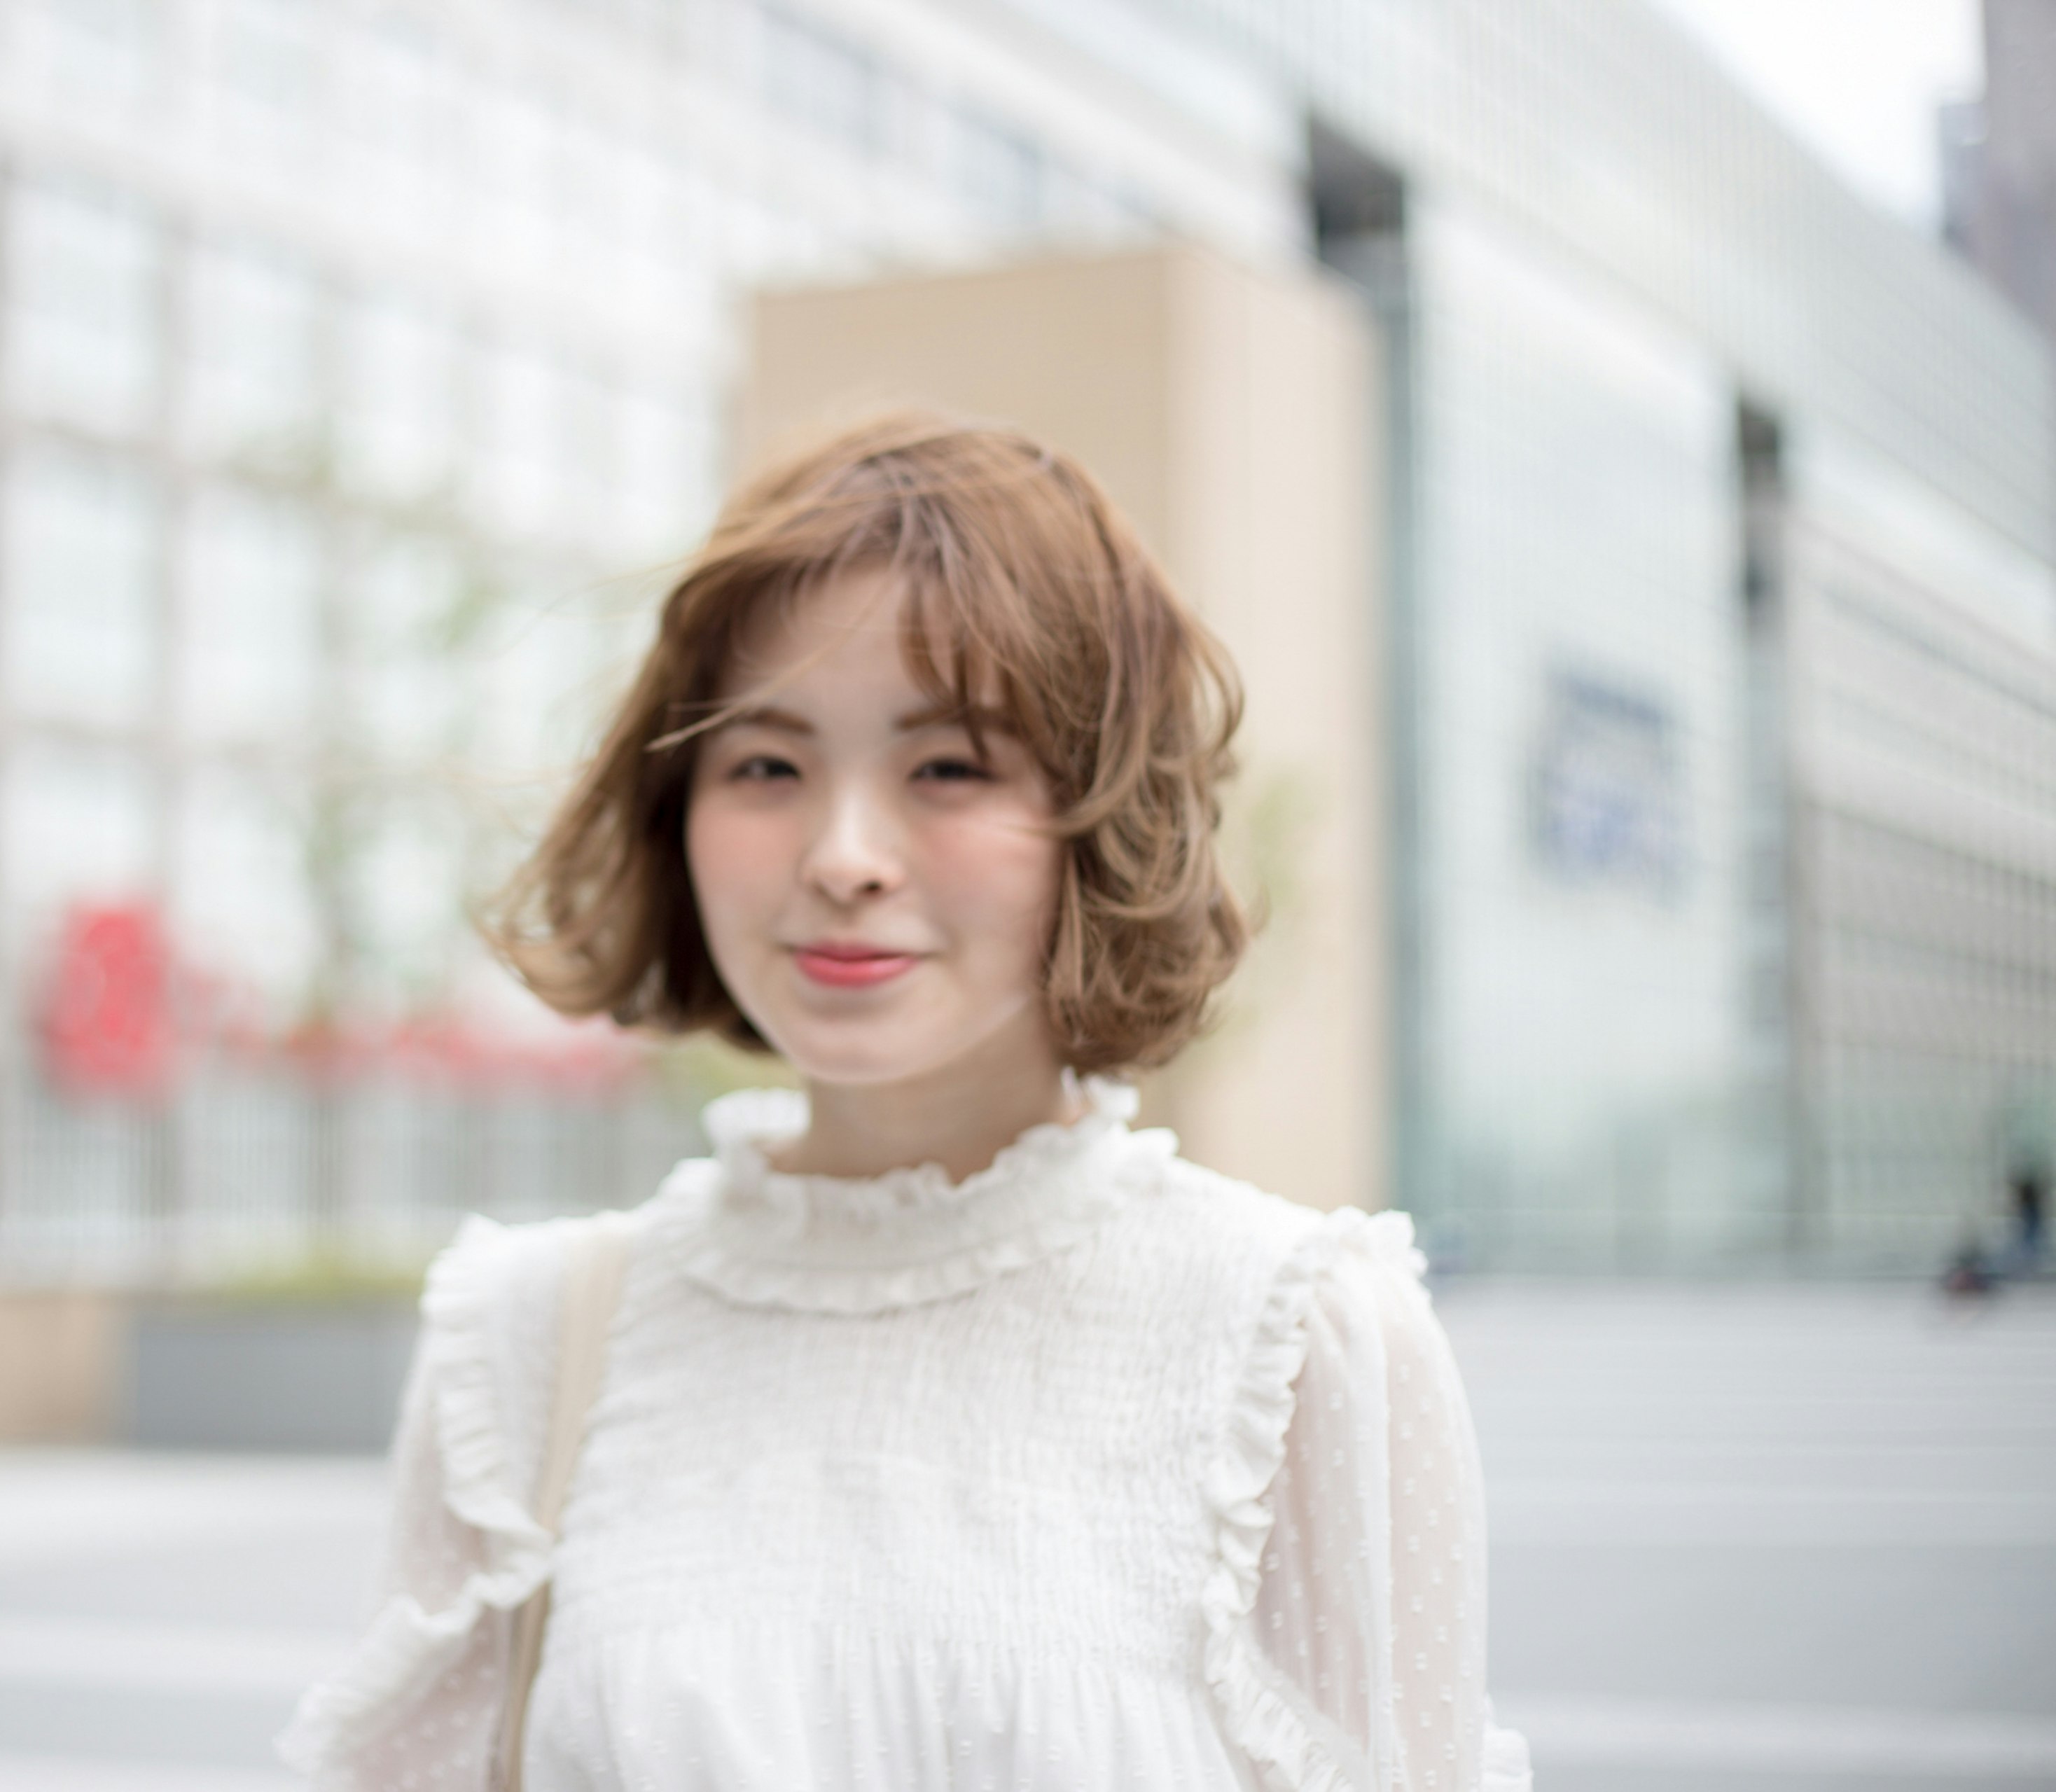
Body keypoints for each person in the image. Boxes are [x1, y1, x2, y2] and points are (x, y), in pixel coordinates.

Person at [278, 413, 1534, 1790]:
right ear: (674, 810)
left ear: (1098, 818)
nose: (844, 854)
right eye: (766, 764)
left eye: (949, 765)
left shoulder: (1297, 1338)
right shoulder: (523, 1343)